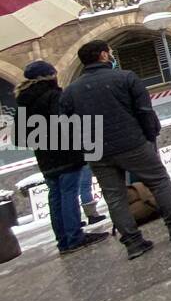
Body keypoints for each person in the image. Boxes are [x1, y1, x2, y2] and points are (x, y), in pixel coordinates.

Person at [61, 41, 171, 259]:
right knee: (158, 181)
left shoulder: (70, 92)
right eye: (110, 53)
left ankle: (133, 243)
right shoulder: (125, 77)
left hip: (97, 151)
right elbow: (144, 111)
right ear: (103, 55)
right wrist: (149, 138)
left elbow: (67, 126)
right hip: (131, 143)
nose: (112, 56)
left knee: (114, 197)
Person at [15, 61, 109, 255]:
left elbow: (19, 137)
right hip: (65, 154)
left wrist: (42, 140)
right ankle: (75, 236)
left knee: (55, 197)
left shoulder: (23, 102)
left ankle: (63, 241)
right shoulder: (54, 96)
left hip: (45, 158)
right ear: (49, 76)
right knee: (69, 194)